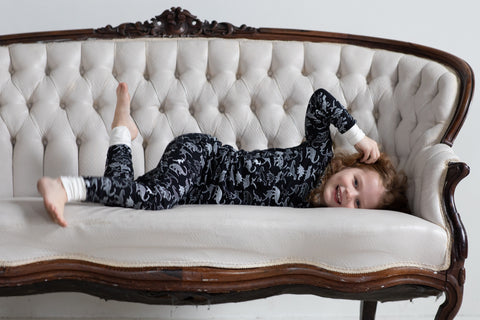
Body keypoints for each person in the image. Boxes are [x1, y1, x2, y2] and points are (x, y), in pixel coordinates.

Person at [38, 83, 408, 227]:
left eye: (359, 204)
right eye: (356, 182)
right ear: (350, 166)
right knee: (156, 198)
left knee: (126, 195)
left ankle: (122, 131)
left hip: (195, 192)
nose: (349, 194)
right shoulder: (317, 155)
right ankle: (65, 187)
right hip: (204, 157)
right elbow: (321, 100)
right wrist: (359, 137)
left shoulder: (315, 214)